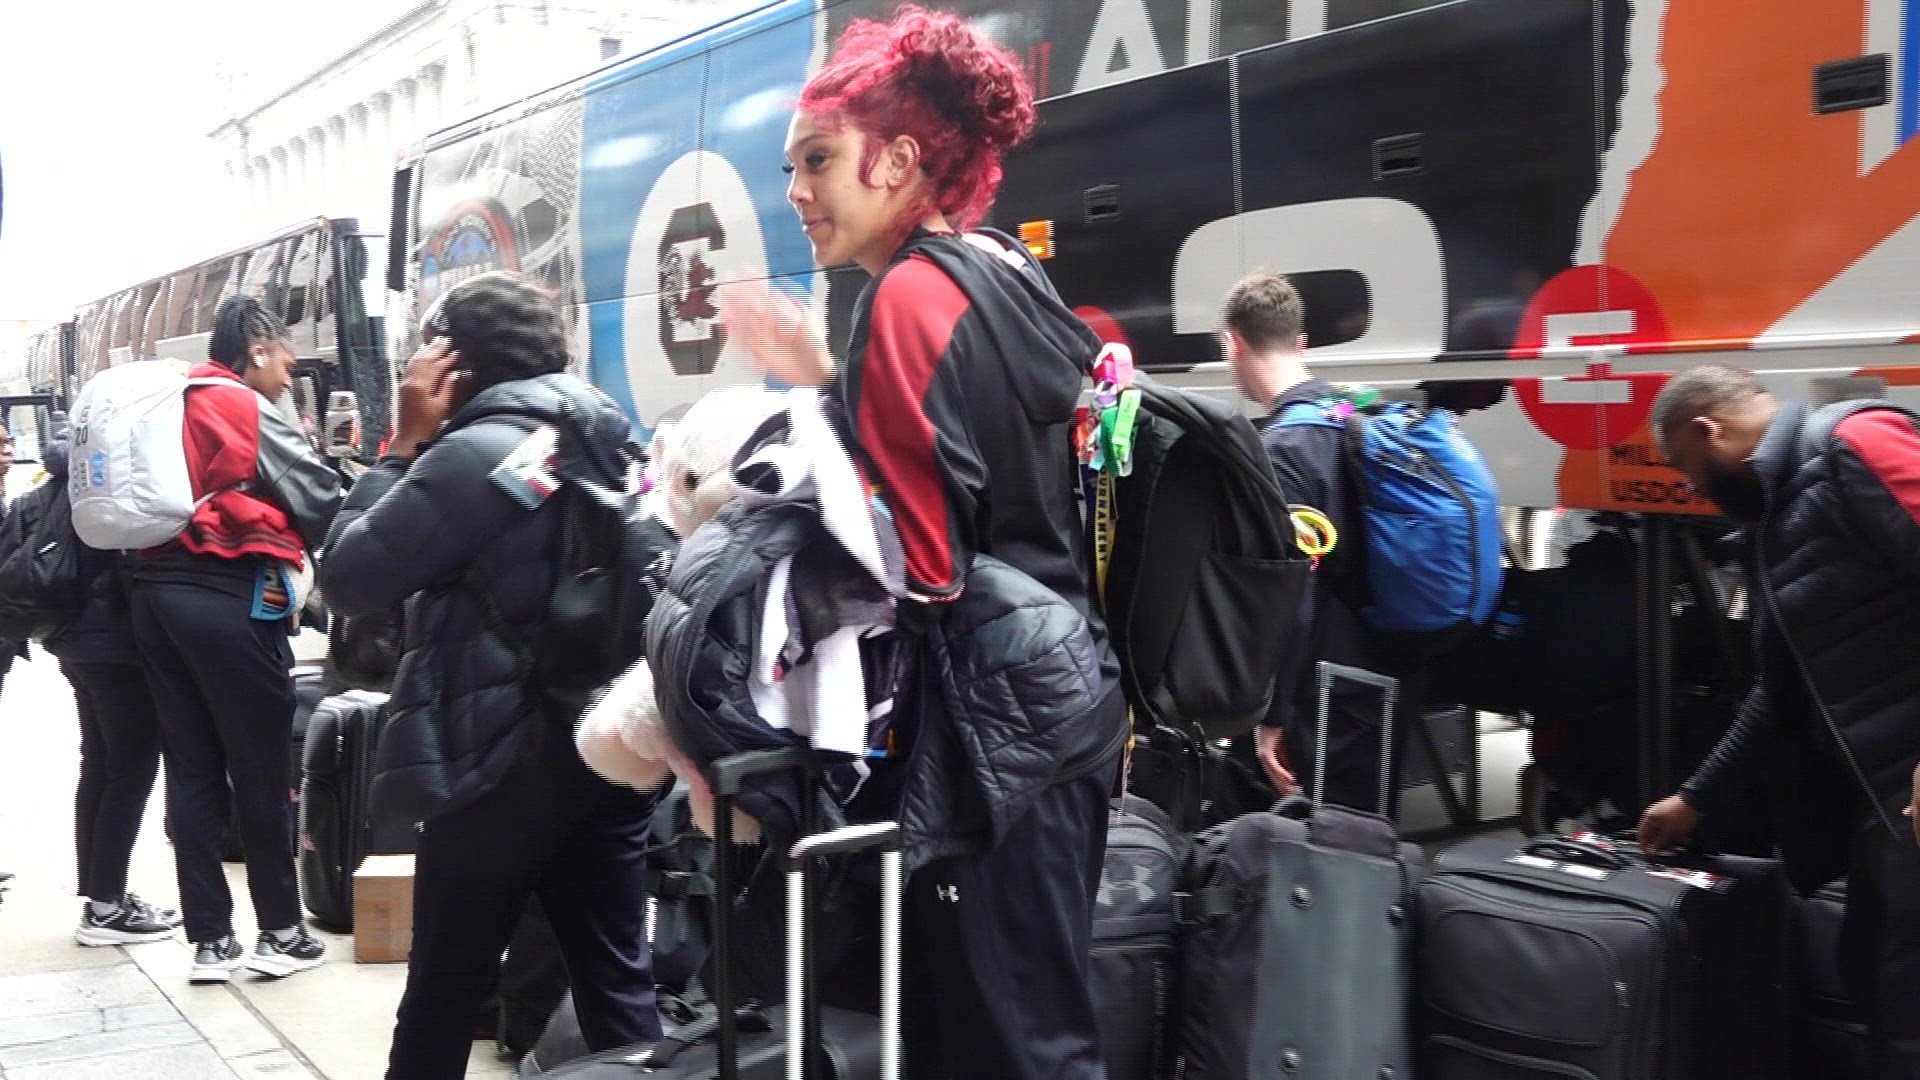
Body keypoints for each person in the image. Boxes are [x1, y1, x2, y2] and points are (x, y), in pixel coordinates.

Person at [718, 9, 1127, 1077]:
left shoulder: (905, 297)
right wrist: (827, 380)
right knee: (1030, 1024)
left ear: (898, 161)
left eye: (817, 162)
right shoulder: (999, 268)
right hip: (1069, 702)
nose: (797, 192)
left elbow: (921, 566)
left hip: (995, 729)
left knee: (1004, 1048)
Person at [318, 272, 660, 1080]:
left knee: (444, 986)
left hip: (496, 762)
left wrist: (397, 447)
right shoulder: (612, 434)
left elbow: (348, 577)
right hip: (606, 744)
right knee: (617, 983)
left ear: (449, 363)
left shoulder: (477, 453)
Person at [1636, 364, 1920, 1080]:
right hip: (1885, 799)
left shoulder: (1856, 444)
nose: (1690, 488)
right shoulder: (1776, 516)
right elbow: (1783, 686)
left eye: (1685, 467)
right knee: (1876, 978)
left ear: (1709, 429)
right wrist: (1696, 796)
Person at [129, 296, 342, 983]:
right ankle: (280, 932)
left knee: (190, 767)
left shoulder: (174, 399)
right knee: (257, 765)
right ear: (256, 348)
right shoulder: (241, 404)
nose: (288, 375)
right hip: (226, 593)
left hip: (154, 595)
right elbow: (317, 497)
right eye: (285, 358)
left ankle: (210, 943)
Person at [1219, 272, 1423, 814]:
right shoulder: (1356, 412)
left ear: (1232, 343)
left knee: (1327, 846)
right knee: (1368, 829)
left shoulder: (1282, 449)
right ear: (1301, 342)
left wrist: (1274, 714)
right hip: (1388, 660)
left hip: (1329, 686)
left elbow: (1291, 600)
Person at [31, 430, 182, 944]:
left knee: (100, 764)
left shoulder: (60, 483)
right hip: (115, 647)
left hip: (73, 640)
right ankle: (106, 908)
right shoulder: (108, 491)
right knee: (131, 769)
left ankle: (101, 894)